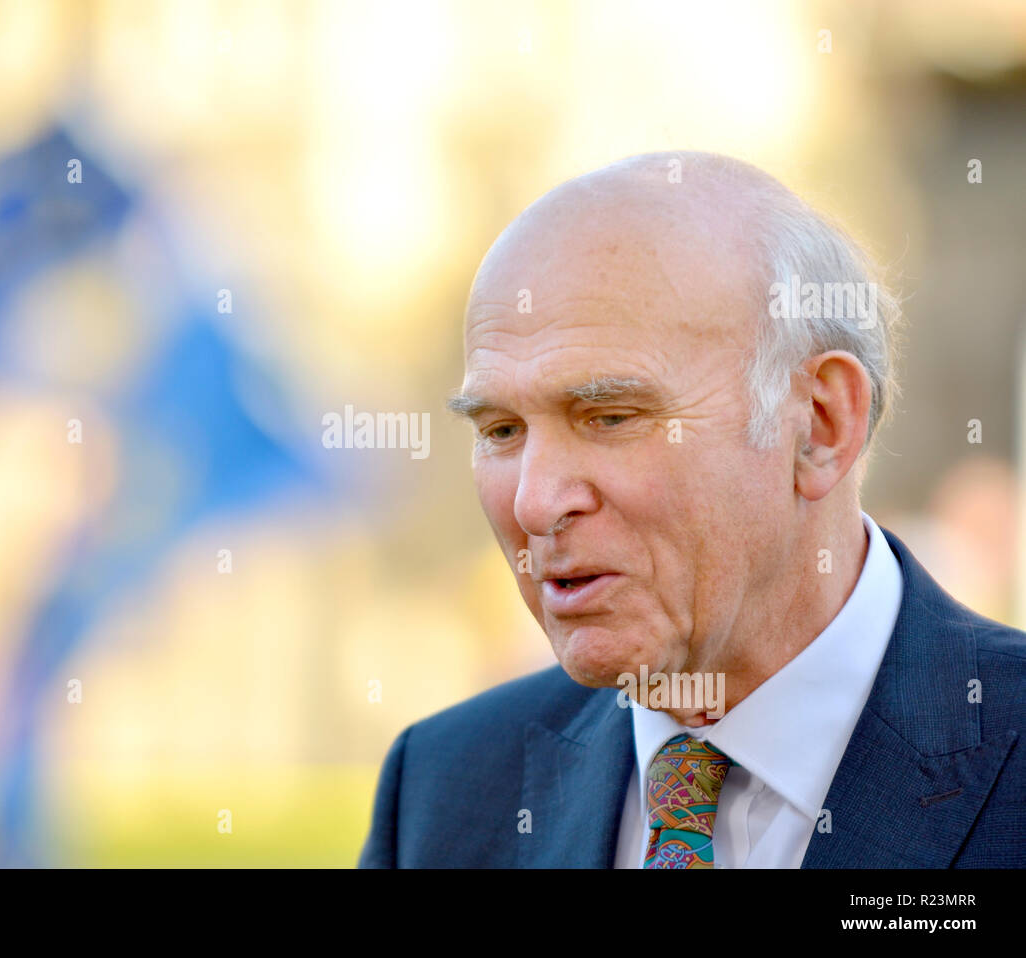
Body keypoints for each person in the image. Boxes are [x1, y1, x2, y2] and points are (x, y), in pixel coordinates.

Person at [358, 152, 1026, 868]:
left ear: (821, 425)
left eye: (609, 417)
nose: (535, 502)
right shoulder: (444, 788)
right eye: (500, 431)